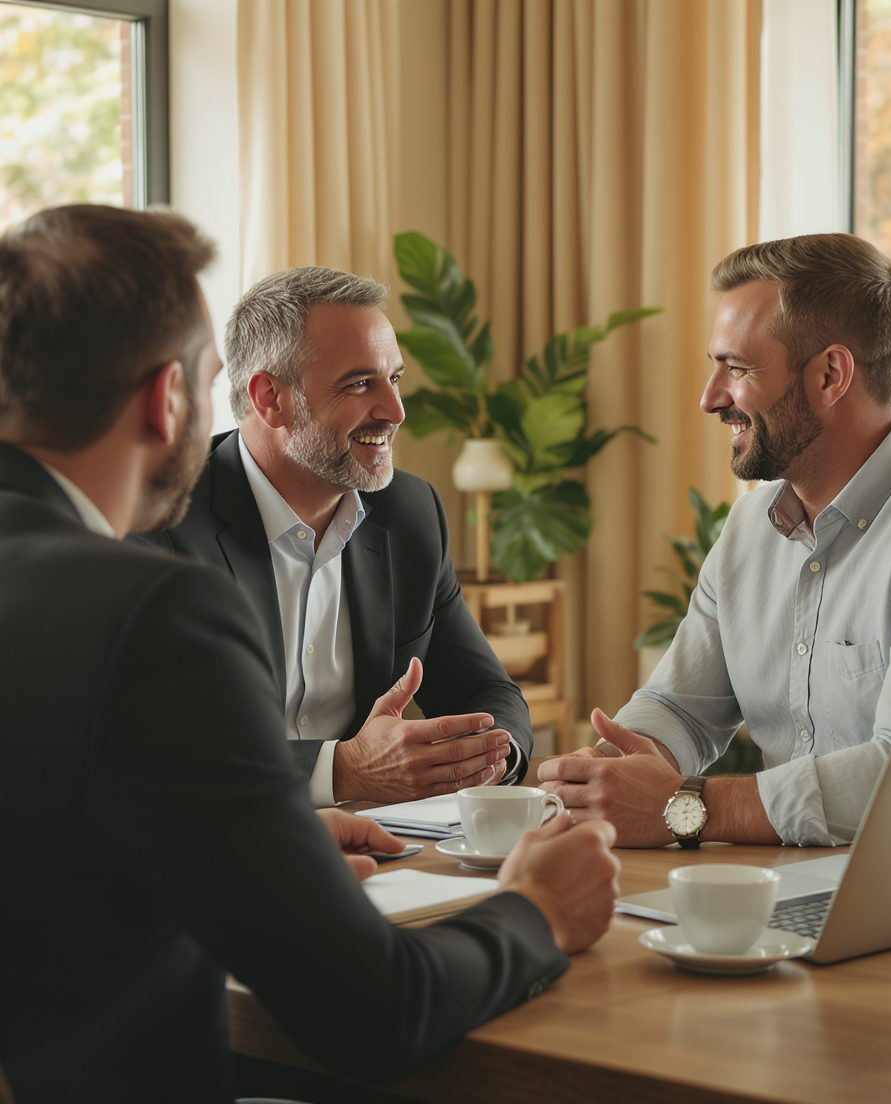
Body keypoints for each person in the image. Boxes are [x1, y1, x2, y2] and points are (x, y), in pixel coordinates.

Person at [0, 203, 621, 1104]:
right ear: (164, 398)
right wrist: (538, 911)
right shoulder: (147, 611)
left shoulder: (401, 515)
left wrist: (248, 846)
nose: (395, 409)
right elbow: (376, 1015)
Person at [539, 232, 891, 849]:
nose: (709, 397)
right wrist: (606, 775)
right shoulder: (750, 528)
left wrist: (687, 807)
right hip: (785, 886)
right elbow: (679, 707)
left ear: (831, 373)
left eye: (737, 367)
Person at [134, 266, 531, 806]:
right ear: (270, 398)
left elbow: (486, 692)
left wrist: (486, 758)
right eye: (360, 383)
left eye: (394, 379)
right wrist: (339, 771)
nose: (395, 412)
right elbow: (150, 737)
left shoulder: (411, 514)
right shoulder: (159, 518)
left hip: (379, 845)